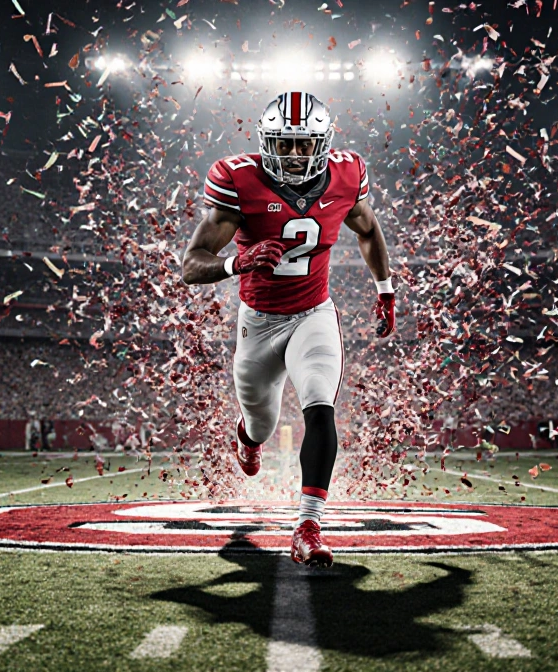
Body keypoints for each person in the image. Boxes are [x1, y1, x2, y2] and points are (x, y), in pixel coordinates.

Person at [181, 90, 394, 568]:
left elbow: (367, 227)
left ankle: (308, 525)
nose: (295, 155)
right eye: (284, 144)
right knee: (262, 423)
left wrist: (385, 288)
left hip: (313, 314)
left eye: (304, 144)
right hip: (257, 324)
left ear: (323, 143)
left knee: (321, 408)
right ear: (264, 142)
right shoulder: (239, 180)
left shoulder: (346, 173)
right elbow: (190, 265)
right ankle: (248, 438)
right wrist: (238, 261)